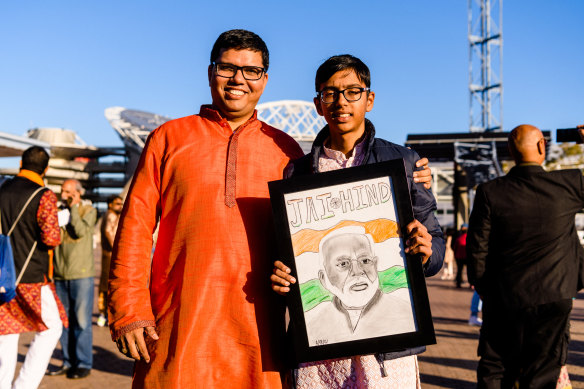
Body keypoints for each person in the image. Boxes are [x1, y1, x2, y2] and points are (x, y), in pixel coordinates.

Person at [107, 31, 433, 388]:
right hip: (179, 325)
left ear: (265, 79)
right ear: (210, 71)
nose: (238, 80)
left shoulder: (288, 153)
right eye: (227, 68)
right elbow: (134, 228)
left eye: (252, 71)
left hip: (260, 339)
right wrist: (129, 311)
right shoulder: (169, 138)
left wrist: (409, 180)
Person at [271, 54, 444, 388]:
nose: (340, 102)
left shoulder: (404, 162)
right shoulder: (297, 172)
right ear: (318, 103)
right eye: (329, 93)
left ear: (370, 99)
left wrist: (426, 250)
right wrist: (283, 273)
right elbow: (288, 255)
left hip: (388, 353)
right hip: (320, 357)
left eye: (352, 91)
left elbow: (435, 245)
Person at [467, 124, 584, 388]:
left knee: (496, 369)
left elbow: (478, 249)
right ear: (542, 146)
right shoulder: (568, 184)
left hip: (504, 298)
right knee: (542, 372)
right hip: (555, 295)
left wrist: (487, 292)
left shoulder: (489, 192)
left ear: (510, 151)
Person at [0, 146, 67, 389]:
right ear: (46, 169)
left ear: (21, 162)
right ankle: (24, 385)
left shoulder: (2, 189)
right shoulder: (44, 195)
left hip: (2, 274)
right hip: (31, 276)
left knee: (6, 334)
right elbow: (51, 238)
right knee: (52, 328)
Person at [304, 228, 416, 345]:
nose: (357, 271)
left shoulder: (407, 315)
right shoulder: (314, 329)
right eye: (343, 264)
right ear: (323, 278)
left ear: (376, 265)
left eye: (365, 261)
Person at [47, 179, 97, 379]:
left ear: (77, 193)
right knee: (63, 322)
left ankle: (83, 363)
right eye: (62, 191)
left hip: (81, 274)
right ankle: (68, 362)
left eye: (68, 192)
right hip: (60, 274)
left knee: (82, 322)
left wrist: (75, 207)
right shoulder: (58, 211)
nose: (64, 195)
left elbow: (79, 231)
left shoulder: (88, 210)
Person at [97, 194, 123, 327]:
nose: (120, 206)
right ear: (110, 205)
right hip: (110, 255)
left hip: (109, 254)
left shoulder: (111, 215)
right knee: (107, 284)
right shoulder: (111, 215)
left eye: (121, 203)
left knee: (107, 284)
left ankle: (105, 314)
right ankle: (104, 314)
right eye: (117, 203)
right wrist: (117, 249)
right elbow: (108, 232)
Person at [453, 223, 468, 288]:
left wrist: (455, 255)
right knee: (469, 271)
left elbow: (454, 248)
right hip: (467, 257)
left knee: (459, 270)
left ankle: (458, 283)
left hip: (459, 257)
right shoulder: (469, 238)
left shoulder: (458, 239)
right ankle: (471, 284)